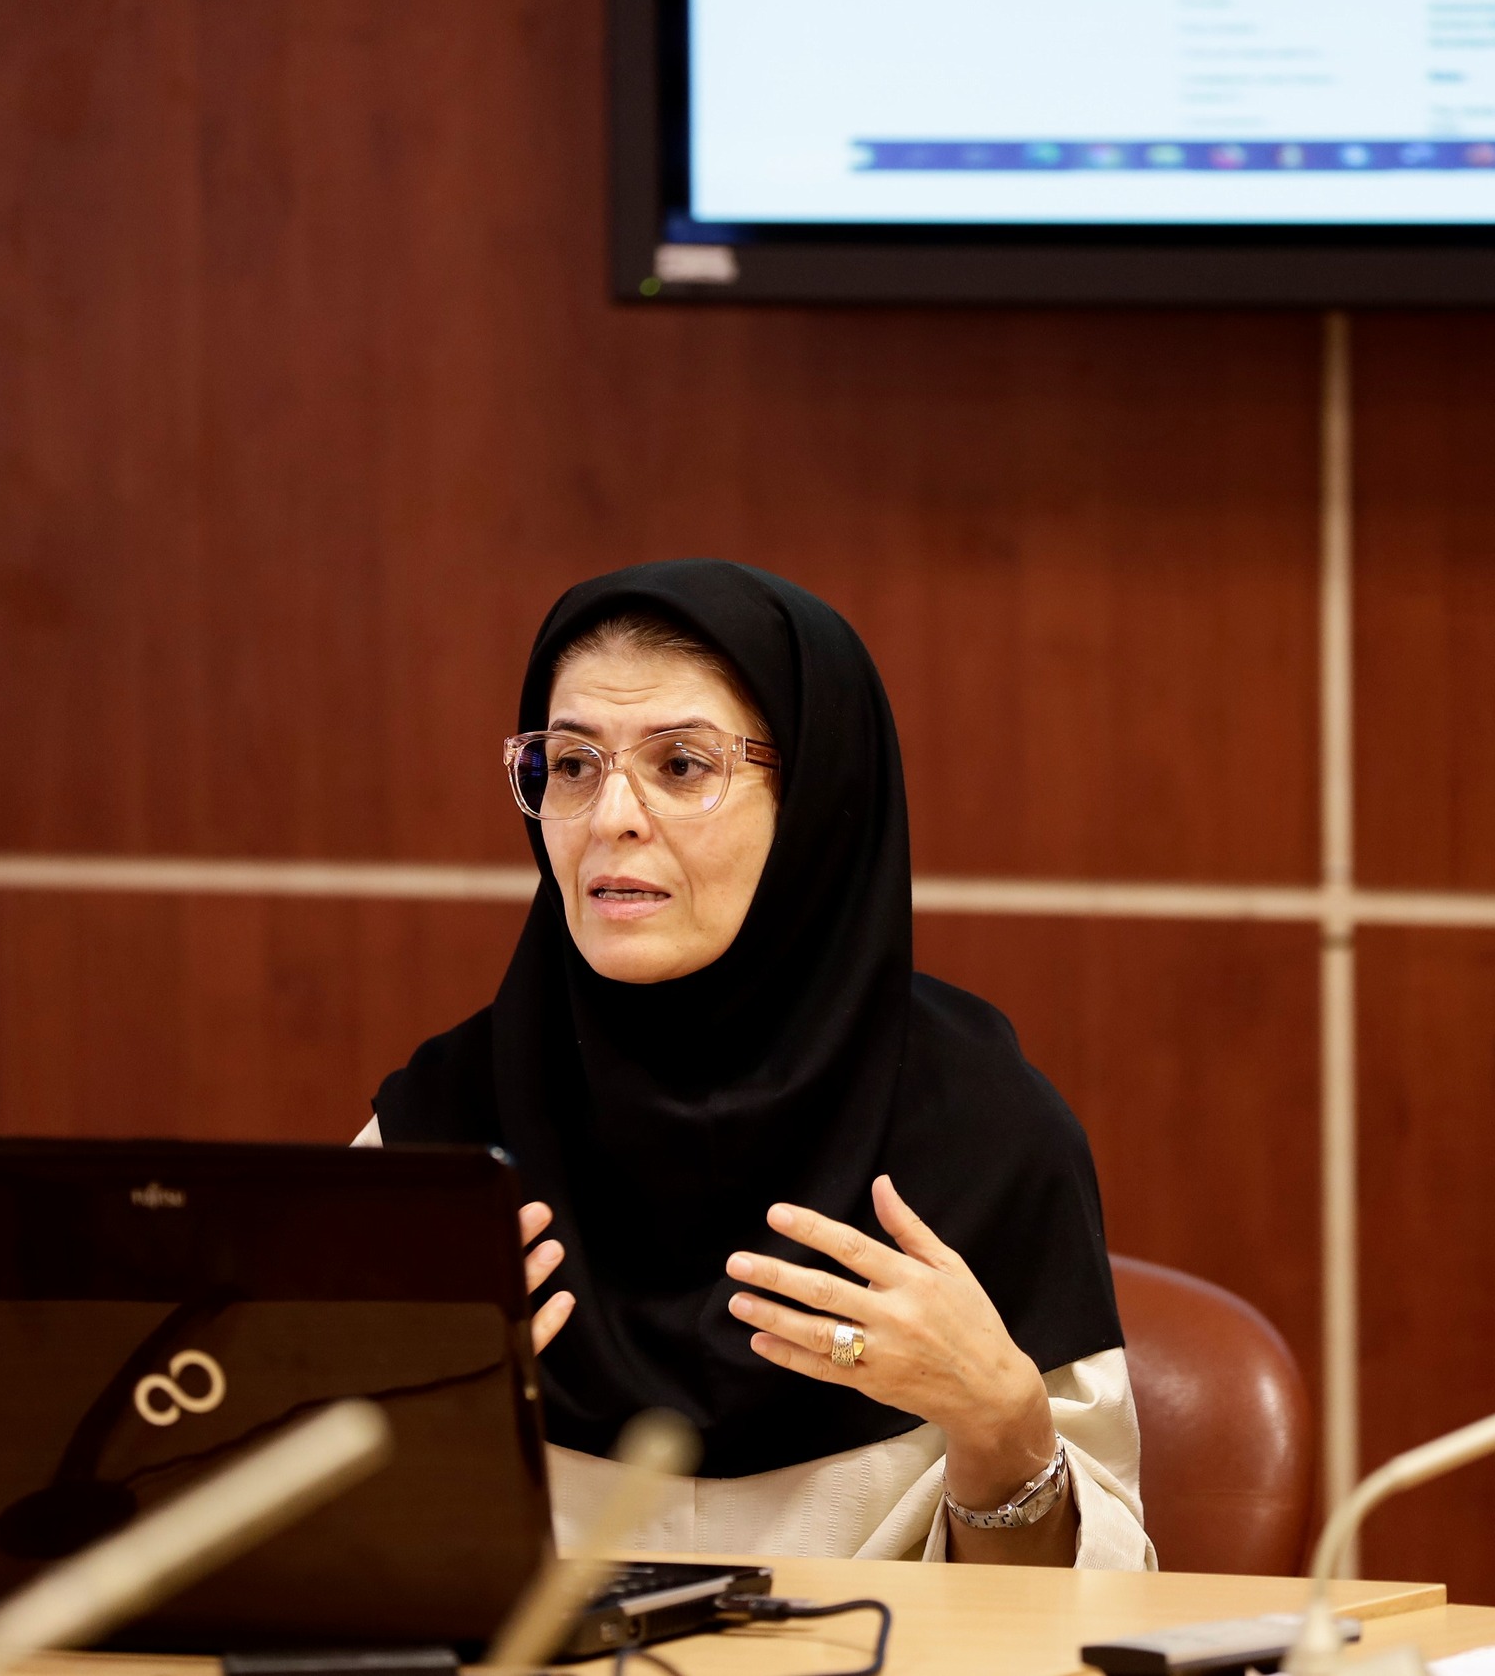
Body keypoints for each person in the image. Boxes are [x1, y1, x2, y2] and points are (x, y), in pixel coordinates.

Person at [355, 560, 1152, 1569]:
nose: (610, 817)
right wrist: (373, 1417)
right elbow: (273, 1561)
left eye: (681, 765)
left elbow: (1085, 1617)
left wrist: (1001, 1428)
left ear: (812, 798)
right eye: (571, 764)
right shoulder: (439, 1139)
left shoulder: (984, 1139)